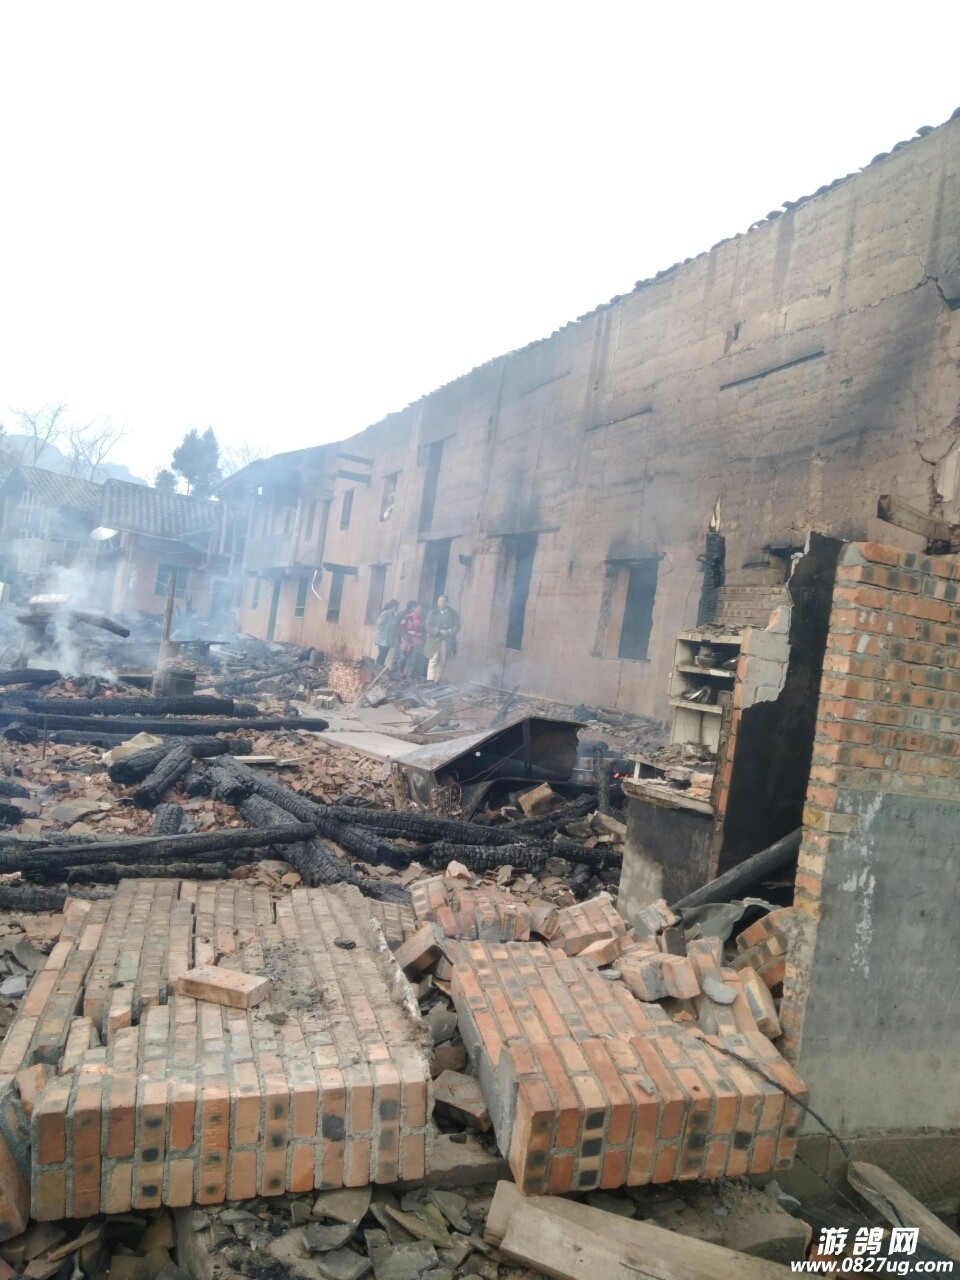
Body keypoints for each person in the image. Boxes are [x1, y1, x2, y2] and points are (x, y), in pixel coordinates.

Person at [424, 594, 460, 683]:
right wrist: (438, 631)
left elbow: (457, 626)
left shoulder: (452, 613)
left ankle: (437, 681)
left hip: (446, 640)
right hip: (434, 639)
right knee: (433, 659)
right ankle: (430, 680)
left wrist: (449, 631)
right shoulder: (433, 612)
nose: (441, 603)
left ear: (447, 603)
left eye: (443, 601)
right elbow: (428, 625)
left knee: (442, 661)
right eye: (439, 601)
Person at [396, 599, 424, 675]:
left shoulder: (421, 620)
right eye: (418, 609)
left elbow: (423, 631)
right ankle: (398, 673)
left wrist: (419, 634)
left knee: (412, 659)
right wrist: (409, 632)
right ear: (414, 609)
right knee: (403, 657)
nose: (420, 611)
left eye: (421, 610)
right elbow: (401, 627)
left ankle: (409, 675)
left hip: (415, 641)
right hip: (406, 640)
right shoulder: (407, 617)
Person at [372, 599, 400, 668]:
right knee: (381, 655)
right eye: (397, 606)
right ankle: (377, 668)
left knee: (384, 655)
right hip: (383, 639)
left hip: (388, 640)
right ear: (394, 606)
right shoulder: (385, 613)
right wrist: (383, 635)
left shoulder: (393, 615)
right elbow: (379, 624)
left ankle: (380, 668)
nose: (398, 608)